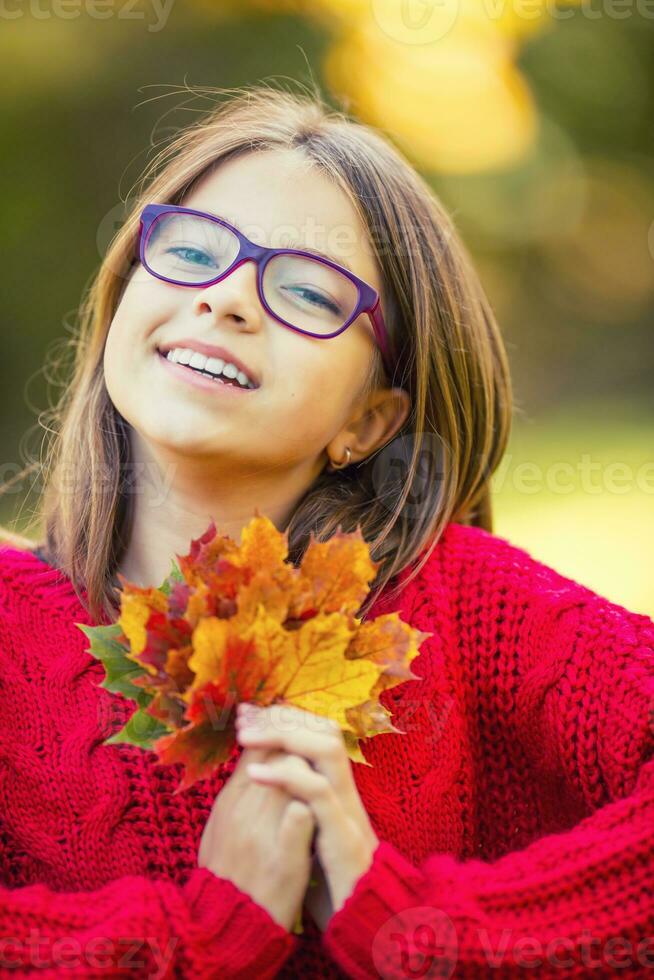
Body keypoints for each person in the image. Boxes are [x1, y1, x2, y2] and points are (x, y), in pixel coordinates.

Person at [0, 83, 652, 979]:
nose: (226, 299)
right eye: (190, 250)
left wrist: (417, 927)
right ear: (123, 296)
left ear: (373, 419)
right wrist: (193, 943)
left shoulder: (468, 607)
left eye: (307, 291)